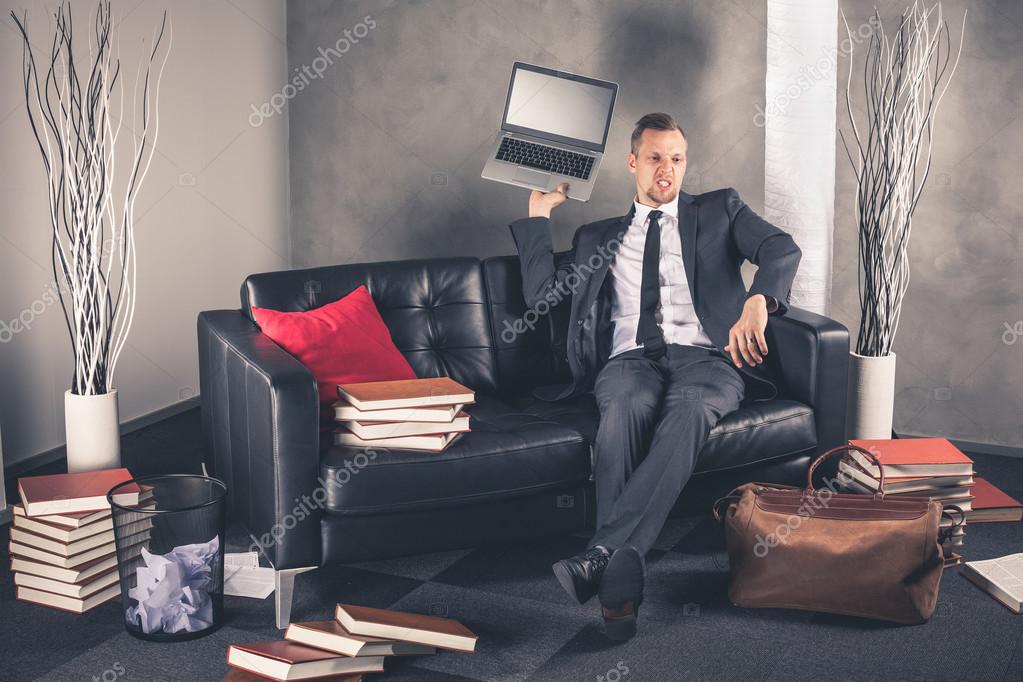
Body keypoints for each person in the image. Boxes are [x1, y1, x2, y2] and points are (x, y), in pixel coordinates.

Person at [508, 113, 801, 641]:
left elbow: (780, 248)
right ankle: (616, 572)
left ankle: (607, 571)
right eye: (655, 158)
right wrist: (537, 215)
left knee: (691, 411)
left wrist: (760, 299)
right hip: (629, 361)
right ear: (632, 162)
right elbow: (542, 297)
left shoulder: (719, 210)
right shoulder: (597, 236)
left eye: (677, 159)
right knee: (622, 410)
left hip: (707, 358)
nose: (667, 169)